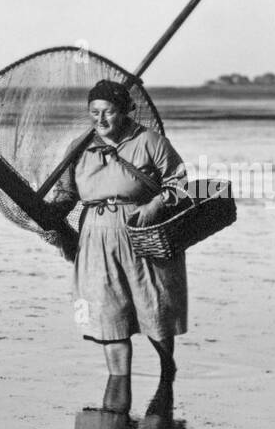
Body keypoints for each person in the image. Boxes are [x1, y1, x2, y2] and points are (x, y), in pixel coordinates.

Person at [50, 79, 189, 390]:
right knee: (108, 315)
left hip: (142, 234)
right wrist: (50, 215)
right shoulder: (78, 148)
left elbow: (180, 184)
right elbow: (65, 193)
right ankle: (118, 390)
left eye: (108, 112)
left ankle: (168, 373)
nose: (100, 120)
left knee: (154, 308)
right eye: (94, 113)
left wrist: (155, 206)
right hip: (96, 237)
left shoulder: (150, 141)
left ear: (126, 111)